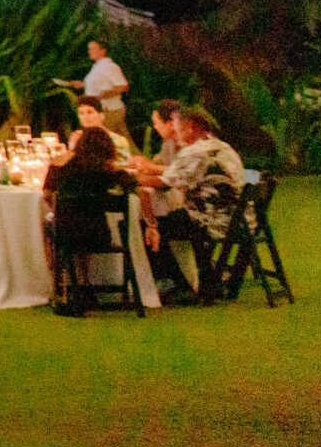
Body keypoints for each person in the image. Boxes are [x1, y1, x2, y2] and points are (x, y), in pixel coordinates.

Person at [133, 106, 245, 297]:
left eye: (176, 128)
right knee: (170, 218)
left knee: (147, 226)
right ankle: (205, 277)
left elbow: (163, 183)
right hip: (237, 218)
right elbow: (174, 174)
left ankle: (176, 283)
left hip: (211, 220)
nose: (175, 134)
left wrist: (127, 179)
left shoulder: (195, 152)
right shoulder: (220, 145)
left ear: (190, 127)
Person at [43, 125, 137, 277]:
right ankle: (83, 278)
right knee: (76, 223)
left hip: (66, 235)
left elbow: (46, 195)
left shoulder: (58, 165)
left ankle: (57, 277)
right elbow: (132, 184)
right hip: (98, 234)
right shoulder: (107, 170)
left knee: (49, 223)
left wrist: (57, 209)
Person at [57, 39, 132, 143]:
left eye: (92, 49)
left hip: (109, 111)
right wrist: (82, 84)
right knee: (117, 142)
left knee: (105, 142)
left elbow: (123, 86)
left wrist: (101, 97)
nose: (89, 51)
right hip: (101, 111)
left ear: (103, 51)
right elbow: (100, 84)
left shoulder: (109, 67)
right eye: (89, 49)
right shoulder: (97, 66)